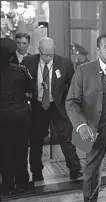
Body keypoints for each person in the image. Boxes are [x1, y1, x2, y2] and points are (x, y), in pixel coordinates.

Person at [65, 33, 106, 202]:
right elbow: (71, 102)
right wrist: (81, 126)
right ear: (98, 50)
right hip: (93, 131)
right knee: (92, 173)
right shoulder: (83, 70)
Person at [21, 37, 82, 182]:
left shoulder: (64, 63)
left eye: (51, 55)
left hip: (57, 106)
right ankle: (36, 172)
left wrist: (68, 102)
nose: (48, 58)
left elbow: (73, 85)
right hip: (38, 107)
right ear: (39, 52)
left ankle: (75, 170)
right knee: (36, 140)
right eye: (45, 55)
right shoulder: (28, 62)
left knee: (66, 138)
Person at [0, 38, 32, 195]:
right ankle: (22, 183)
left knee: (4, 151)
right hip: (20, 116)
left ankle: (7, 184)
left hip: (2, 117)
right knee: (20, 150)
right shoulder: (21, 70)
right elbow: (29, 89)